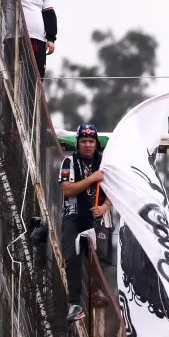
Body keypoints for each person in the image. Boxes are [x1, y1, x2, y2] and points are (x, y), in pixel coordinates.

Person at [58, 122, 110, 322]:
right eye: (84, 141)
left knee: (100, 258)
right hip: (73, 215)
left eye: (91, 141)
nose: (87, 145)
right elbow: (67, 190)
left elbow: (114, 190)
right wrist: (92, 179)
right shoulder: (69, 162)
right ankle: (75, 304)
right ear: (78, 143)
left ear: (96, 144)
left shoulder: (104, 163)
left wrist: (105, 207)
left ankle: (99, 292)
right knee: (71, 257)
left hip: (98, 216)